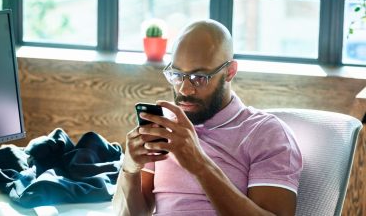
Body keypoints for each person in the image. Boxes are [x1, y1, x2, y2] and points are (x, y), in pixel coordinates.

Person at [112, 19, 303, 216]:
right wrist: (129, 169)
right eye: (177, 75)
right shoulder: (164, 127)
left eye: (199, 77)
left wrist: (200, 165)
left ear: (230, 72)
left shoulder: (266, 133)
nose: (184, 89)